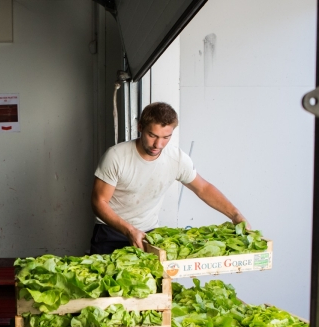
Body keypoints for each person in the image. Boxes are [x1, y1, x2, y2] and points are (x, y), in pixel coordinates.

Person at [90, 102, 248, 255]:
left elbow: (203, 188)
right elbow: (99, 202)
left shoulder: (176, 158)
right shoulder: (116, 156)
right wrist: (129, 230)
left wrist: (235, 215)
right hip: (110, 233)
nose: (158, 144)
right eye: (152, 135)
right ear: (140, 128)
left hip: (149, 234)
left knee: (152, 282)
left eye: (166, 137)